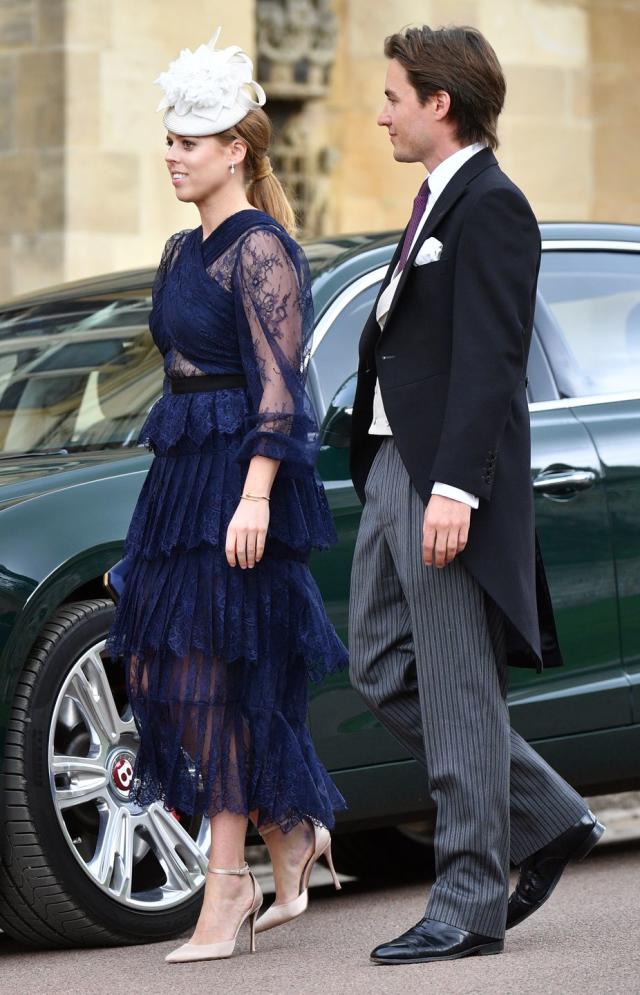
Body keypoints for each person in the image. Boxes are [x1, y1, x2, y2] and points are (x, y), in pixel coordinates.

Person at [348, 24, 604, 966]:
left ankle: (466, 903)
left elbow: (493, 362)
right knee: (378, 667)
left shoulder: (492, 207)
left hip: (439, 481)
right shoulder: (432, 202)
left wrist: (455, 487)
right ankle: (546, 809)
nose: (381, 111)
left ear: (437, 103)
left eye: (391, 95)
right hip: (388, 468)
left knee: (456, 688)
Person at [105, 27, 346, 964]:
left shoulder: (264, 251)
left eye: (188, 143)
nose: (171, 156)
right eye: (167, 140)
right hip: (179, 478)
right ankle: (291, 831)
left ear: (234, 150)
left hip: (240, 480)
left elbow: (280, 386)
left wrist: (254, 496)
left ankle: (231, 878)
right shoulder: (178, 249)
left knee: (225, 673)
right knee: (163, 669)